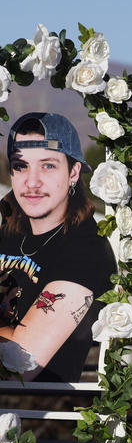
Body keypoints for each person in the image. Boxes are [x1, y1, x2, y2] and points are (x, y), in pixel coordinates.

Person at [0, 112, 116, 382]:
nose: (32, 182)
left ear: (74, 172)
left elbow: (22, 363)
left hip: (39, 412)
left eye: (48, 166)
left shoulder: (86, 248)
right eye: (21, 166)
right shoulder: (8, 234)